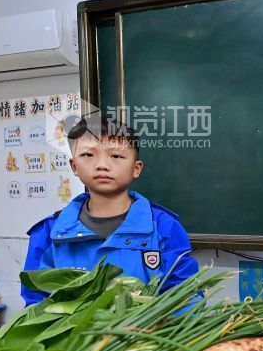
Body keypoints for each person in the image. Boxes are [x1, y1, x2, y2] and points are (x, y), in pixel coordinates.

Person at [21, 116, 199, 305]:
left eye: (116, 156)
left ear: (136, 168)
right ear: (74, 166)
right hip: (73, 335)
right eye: (89, 155)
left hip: (145, 333)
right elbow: (35, 303)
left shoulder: (164, 228)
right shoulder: (48, 233)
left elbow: (186, 296)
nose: (102, 165)